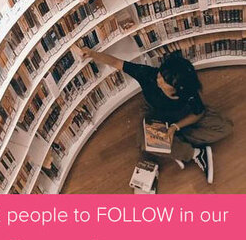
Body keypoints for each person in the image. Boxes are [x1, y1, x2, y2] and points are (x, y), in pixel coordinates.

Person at [78, 47, 233, 183]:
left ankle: (174, 145)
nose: (158, 79)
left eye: (163, 80)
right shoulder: (147, 75)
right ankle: (196, 153)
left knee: (224, 128)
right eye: (160, 74)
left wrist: (174, 128)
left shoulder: (189, 92)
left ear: (177, 88)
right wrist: (92, 54)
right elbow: (117, 63)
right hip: (155, 113)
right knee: (145, 144)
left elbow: (198, 113)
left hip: (182, 114)